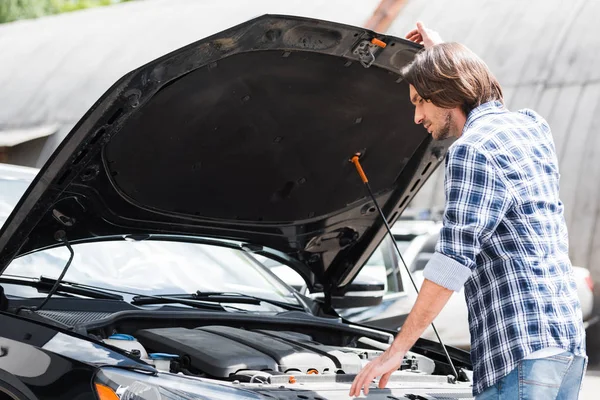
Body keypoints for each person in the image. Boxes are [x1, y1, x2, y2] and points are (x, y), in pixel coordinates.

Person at [349, 22, 587, 399]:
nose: (416, 118)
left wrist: (395, 352)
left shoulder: (470, 150)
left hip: (518, 349)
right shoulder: (531, 127)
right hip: (565, 343)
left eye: (419, 101)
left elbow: (451, 262)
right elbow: (478, 94)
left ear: (444, 91)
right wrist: (441, 53)